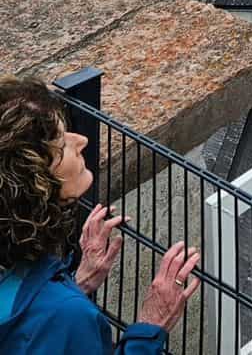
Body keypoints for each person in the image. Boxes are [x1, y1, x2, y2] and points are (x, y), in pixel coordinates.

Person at [0, 77, 200, 354]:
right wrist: (150, 326)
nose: (81, 140)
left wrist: (72, 284)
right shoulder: (68, 318)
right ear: (36, 181)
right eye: (61, 143)